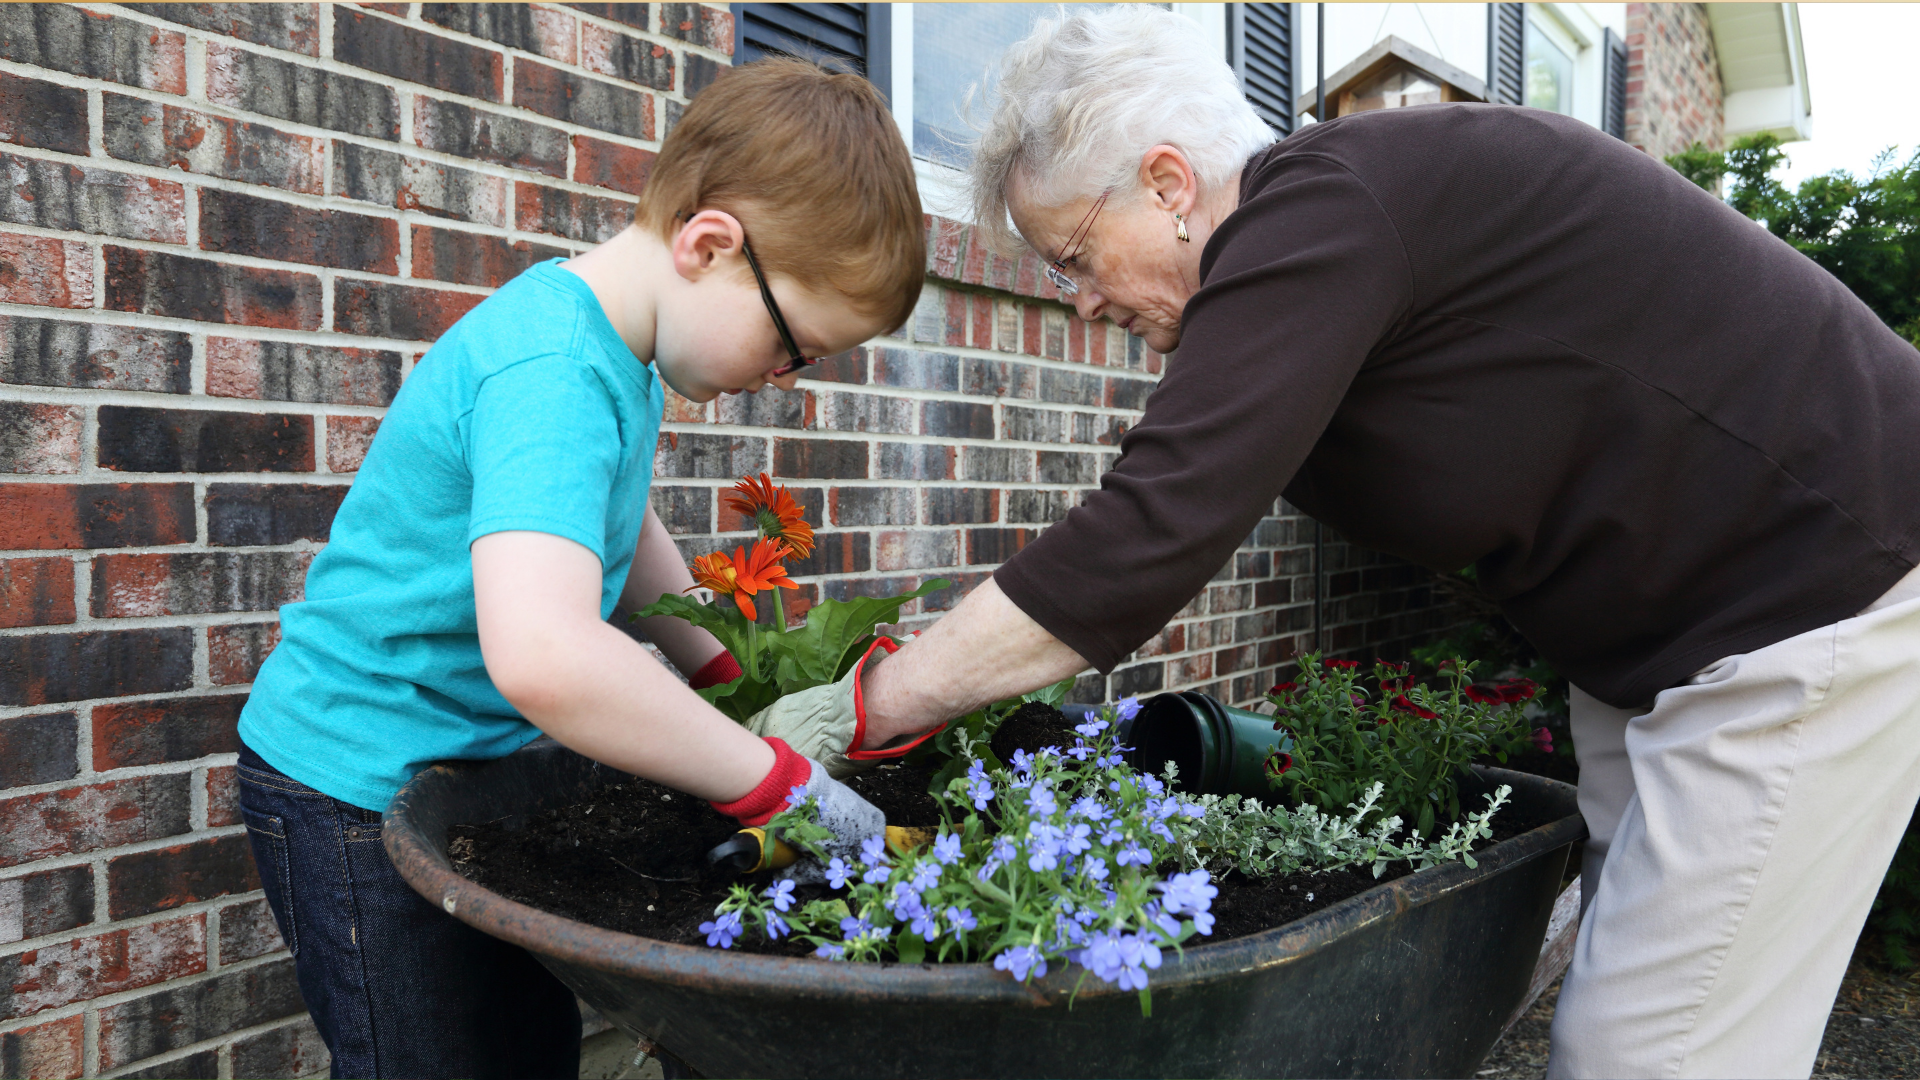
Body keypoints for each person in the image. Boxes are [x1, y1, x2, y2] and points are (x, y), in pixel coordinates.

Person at [788, 8, 1920, 1078]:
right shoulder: (1321, 236)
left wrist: (873, 709)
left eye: (1076, 257)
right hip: (1659, 649)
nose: (1079, 302)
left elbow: (1145, 534)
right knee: (1650, 1012)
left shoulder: (1321, 210)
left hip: (1810, 599)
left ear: (1170, 185)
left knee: (1654, 1054)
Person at [234, 59, 923, 1079]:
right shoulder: (550, 372)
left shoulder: (613, 347)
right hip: (356, 790)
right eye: (792, 347)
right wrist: (776, 784)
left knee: (517, 1050)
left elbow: (617, 520)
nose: (782, 381)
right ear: (710, 244)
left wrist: (717, 668)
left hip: (460, 777)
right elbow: (548, 657)